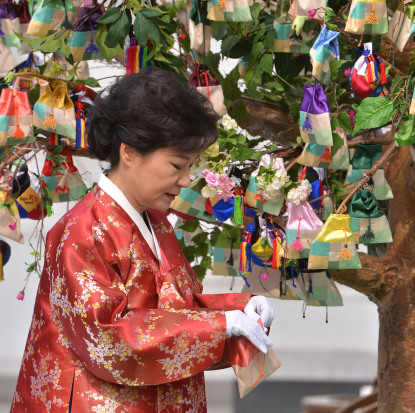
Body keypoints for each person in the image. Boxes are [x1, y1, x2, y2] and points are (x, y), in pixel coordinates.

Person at [11, 70, 274, 412]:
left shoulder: (154, 221)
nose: (185, 180)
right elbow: (109, 337)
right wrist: (220, 325)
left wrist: (237, 310)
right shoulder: (80, 231)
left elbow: (172, 309)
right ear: (130, 152)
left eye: (191, 166)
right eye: (178, 165)